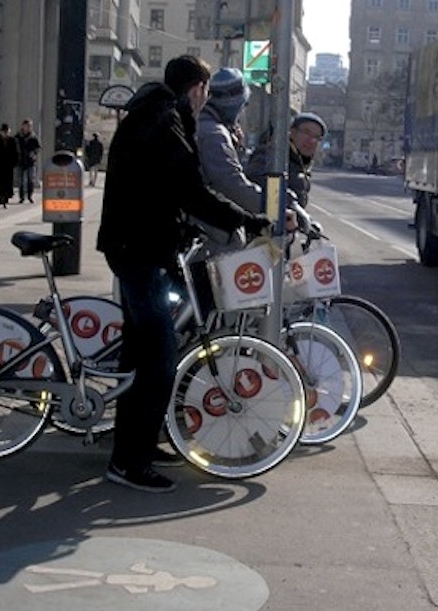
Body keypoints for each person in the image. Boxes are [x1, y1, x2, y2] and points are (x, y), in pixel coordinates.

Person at [96, 54, 272, 493]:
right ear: (198, 88)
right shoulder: (164, 121)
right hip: (140, 252)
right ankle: (127, 462)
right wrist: (244, 220)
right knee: (160, 360)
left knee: (141, 354)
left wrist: (191, 222)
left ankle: (138, 442)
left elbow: (168, 190)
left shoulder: (156, 115)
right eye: (205, 91)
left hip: (142, 247)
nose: (205, 99)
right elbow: (189, 188)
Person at [193, 67, 263, 253]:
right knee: (233, 246)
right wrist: (273, 204)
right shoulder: (214, 133)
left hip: (197, 214)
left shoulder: (203, 124)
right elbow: (230, 182)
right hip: (205, 220)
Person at [247, 112, 327, 207]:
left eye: (317, 137)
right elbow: (256, 181)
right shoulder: (272, 156)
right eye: (306, 132)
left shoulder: (300, 164)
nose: (312, 140)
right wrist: (288, 200)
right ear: (292, 133)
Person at [0, 123, 19, 208]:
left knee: (8, 181)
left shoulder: (12, 140)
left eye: (7, 131)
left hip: (9, 165)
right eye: (4, 132)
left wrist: (15, 162)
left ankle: (6, 196)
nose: (5, 133)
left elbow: (16, 152)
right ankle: (1, 196)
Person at [15, 118, 41, 203]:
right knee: (21, 180)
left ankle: (30, 196)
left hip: (30, 161)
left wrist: (34, 153)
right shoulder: (18, 136)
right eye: (27, 126)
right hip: (20, 161)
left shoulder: (33, 137)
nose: (29, 127)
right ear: (23, 126)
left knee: (31, 179)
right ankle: (22, 197)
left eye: (30, 126)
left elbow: (38, 147)